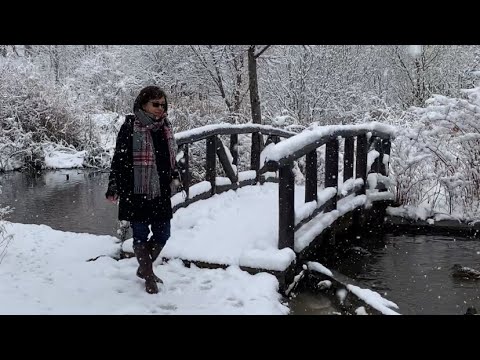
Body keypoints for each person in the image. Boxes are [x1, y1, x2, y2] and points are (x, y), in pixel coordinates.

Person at [106, 86, 181, 294]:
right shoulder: (130, 127)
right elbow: (119, 160)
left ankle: (143, 268)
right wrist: (114, 185)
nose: (160, 108)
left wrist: (175, 174)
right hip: (136, 190)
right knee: (140, 235)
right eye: (155, 104)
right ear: (143, 104)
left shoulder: (165, 125)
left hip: (160, 191)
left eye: (163, 104)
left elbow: (171, 157)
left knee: (163, 234)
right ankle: (148, 277)